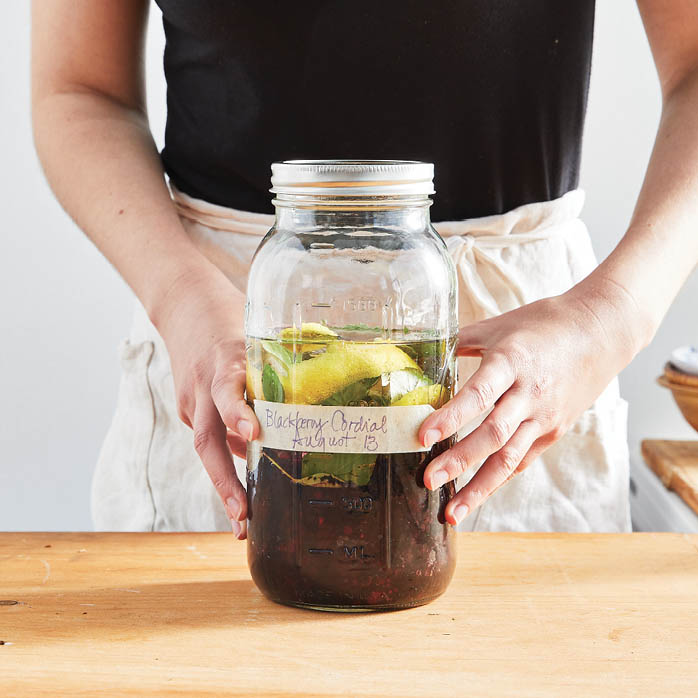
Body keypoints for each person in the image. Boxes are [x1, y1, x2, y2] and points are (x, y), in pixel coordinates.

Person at [31, 1, 698, 536]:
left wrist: (607, 319)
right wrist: (179, 296)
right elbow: (79, 89)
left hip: (515, 369)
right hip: (223, 333)